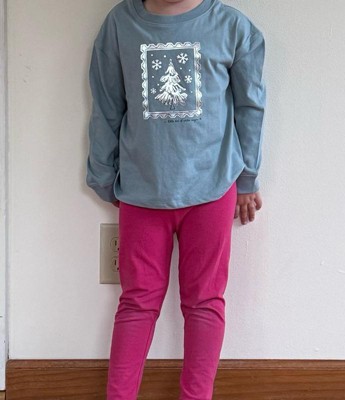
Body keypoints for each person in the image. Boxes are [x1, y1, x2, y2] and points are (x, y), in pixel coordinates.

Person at [85, 0, 267, 398]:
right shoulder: (120, 25)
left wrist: (248, 177)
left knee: (204, 301)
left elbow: (250, 106)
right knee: (137, 302)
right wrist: (102, 175)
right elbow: (107, 105)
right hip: (142, 190)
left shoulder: (232, 27)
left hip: (212, 188)